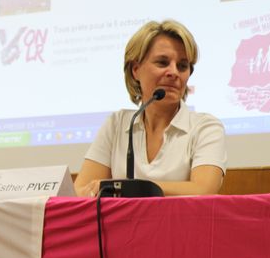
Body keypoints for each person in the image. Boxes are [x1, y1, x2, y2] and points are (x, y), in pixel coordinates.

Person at [74, 20, 227, 197]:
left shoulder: (206, 127)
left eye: (182, 66)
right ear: (135, 70)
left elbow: (203, 190)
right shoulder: (117, 124)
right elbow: (81, 191)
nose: (174, 72)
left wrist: (125, 189)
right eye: (162, 63)